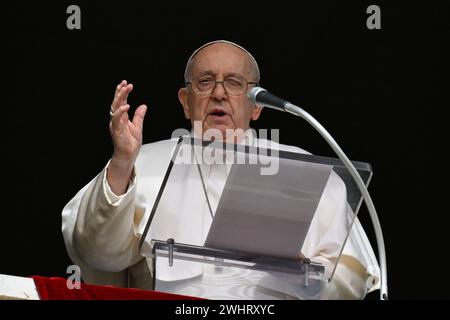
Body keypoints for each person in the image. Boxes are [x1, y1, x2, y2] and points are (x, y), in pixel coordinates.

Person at [62, 40, 380, 299]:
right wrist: (121, 162)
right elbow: (99, 254)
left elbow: (349, 280)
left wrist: (304, 274)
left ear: (257, 105)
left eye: (234, 82)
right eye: (205, 81)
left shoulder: (304, 169)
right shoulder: (142, 162)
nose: (219, 93)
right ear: (186, 101)